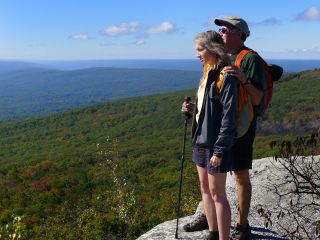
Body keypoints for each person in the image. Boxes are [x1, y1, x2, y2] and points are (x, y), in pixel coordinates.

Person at [183, 16, 266, 240]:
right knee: (210, 188)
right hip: (214, 132)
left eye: (226, 29)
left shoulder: (249, 60)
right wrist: (195, 109)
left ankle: (241, 225)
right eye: (219, 29)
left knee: (239, 176)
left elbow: (259, 100)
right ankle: (212, 222)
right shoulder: (210, 68)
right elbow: (211, 104)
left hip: (240, 129)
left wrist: (244, 80)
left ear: (240, 33)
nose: (221, 32)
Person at [181, 30, 238, 240]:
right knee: (205, 189)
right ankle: (213, 233)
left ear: (212, 49)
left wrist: (220, 150)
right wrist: (191, 109)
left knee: (217, 193)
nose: (197, 54)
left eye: (200, 49)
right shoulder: (207, 73)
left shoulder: (226, 76)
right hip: (201, 142)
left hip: (215, 145)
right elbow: (207, 109)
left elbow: (229, 118)